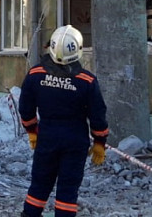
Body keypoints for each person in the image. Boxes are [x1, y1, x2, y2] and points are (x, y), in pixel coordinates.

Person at [18, 25, 109, 217]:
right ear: (78, 50)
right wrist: (100, 142)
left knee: (39, 185)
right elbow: (98, 115)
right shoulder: (87, 80)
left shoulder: (35, 74)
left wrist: (32, 131)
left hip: (47, 138)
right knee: (67, 190)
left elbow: (26, 108)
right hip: (75, 141)